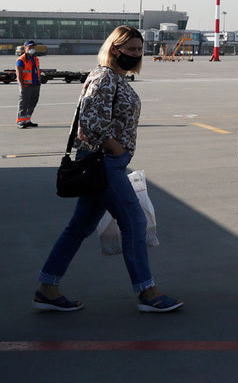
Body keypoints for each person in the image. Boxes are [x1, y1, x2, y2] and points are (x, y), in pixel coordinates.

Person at [34, 26, 183, 313]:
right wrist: (117, 150)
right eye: (131, 49)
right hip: (104, 163)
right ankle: (148, 292)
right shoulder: (104, 77)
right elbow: (90, 122)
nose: (136, 54)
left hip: (106, 162)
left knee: (79, 227)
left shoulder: (118, 78)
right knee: (134, 222)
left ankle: (47, 288)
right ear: (115, 49)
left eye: (139, 50)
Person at [15, 40, 41, 128]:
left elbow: (37, 71)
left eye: (33, 47)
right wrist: (22, 86)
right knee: (23, 103)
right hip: (26, 85)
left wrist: (39, 82)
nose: (32, 49)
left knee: (32, 103)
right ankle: (20, 121)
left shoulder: (35, 59)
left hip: (35, 84)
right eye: (30, 47)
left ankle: (27, 120)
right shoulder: (21, 60)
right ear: (25, 48)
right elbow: (19, 75)